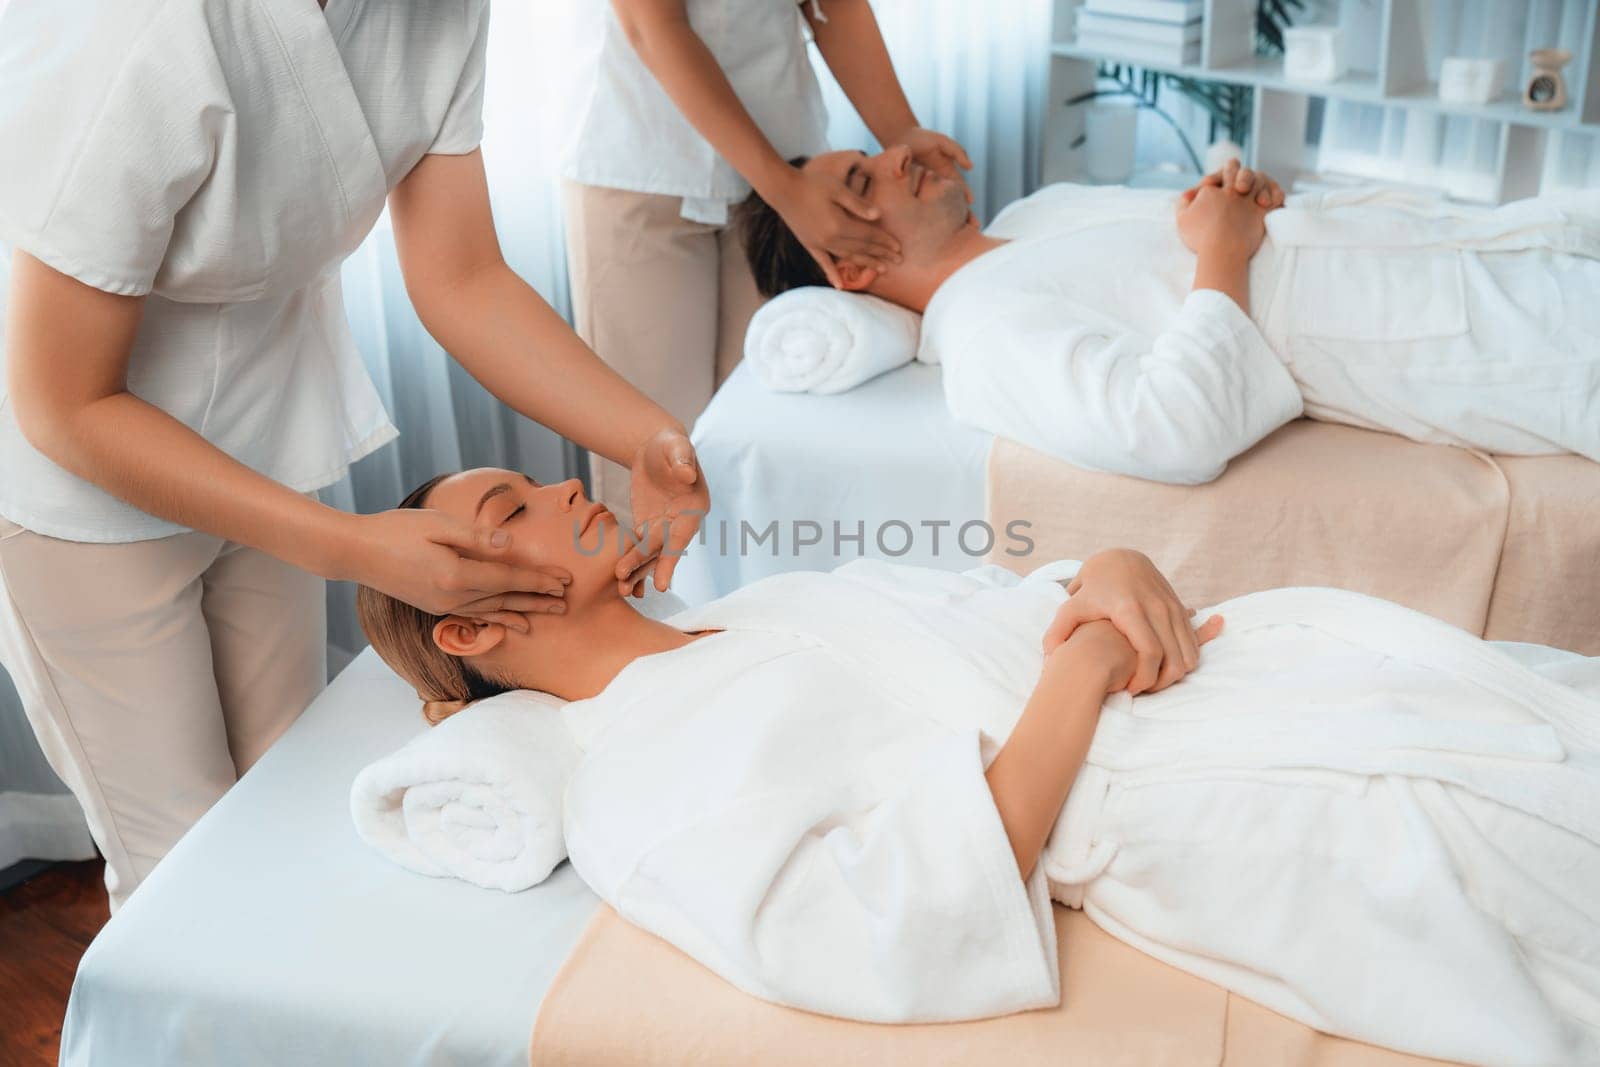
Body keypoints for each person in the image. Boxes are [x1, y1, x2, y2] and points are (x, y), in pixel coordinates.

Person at [356, 466, 1600, 1064]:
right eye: (512, 509)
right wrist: (1084, 666)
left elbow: (999, 602)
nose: (564, 482)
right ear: (466, 626)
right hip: (1213, 807)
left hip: (1229, 677)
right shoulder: (634, 777)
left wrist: (1102, 569)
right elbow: (904, 914)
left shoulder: (768, 600)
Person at [0, 0, 702, 911]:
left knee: (292, 799)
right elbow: (66, 400)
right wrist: (351, 545)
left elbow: (463, 277)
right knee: (187, 871)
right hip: (82, 488)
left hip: (273, 431)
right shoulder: (148, 31)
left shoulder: (439, 14)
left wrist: (644, 436)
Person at [738, 149, 1600, 485]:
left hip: (1462, 252)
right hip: (1472, 339)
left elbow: (1198, 232)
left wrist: (1243, 204)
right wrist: (1225, 249)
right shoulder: (983, 338)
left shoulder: (1042, 214)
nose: (899, 157)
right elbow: (1166, 431)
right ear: (847, 264)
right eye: (864, 182)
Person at [563, 0, 972, 521]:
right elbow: (653, 24)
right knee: (651, 455)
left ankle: (762, 595)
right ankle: (651, 600)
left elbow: (834, 6)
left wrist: (902, 133)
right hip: (641, 159)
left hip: (786, 155)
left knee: (766, 435)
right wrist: (783, 191)